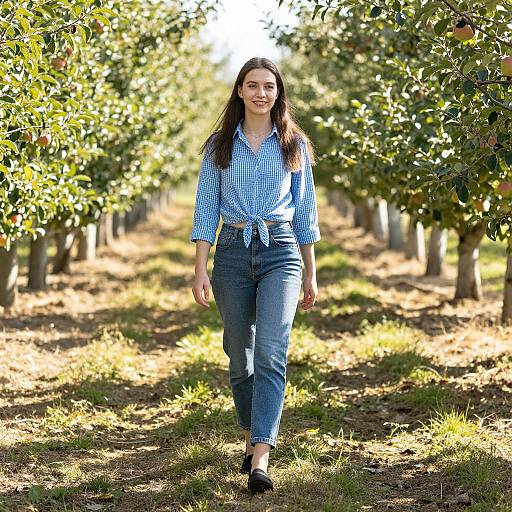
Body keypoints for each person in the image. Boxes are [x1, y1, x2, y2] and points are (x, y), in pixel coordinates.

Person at [190, 57, 321, 494]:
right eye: (252, 85)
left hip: (281, 250)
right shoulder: (219, 146)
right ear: (240, 91)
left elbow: (305, 212)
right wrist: (200, 267)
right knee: (238, 352)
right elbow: (206, 208)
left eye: (269, 85)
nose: (261, 93)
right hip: (231, 251)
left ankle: (261, 454)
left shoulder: (294, 145)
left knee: (270, 350)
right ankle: (249, 431)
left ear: (278, 93)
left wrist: (310, 273)